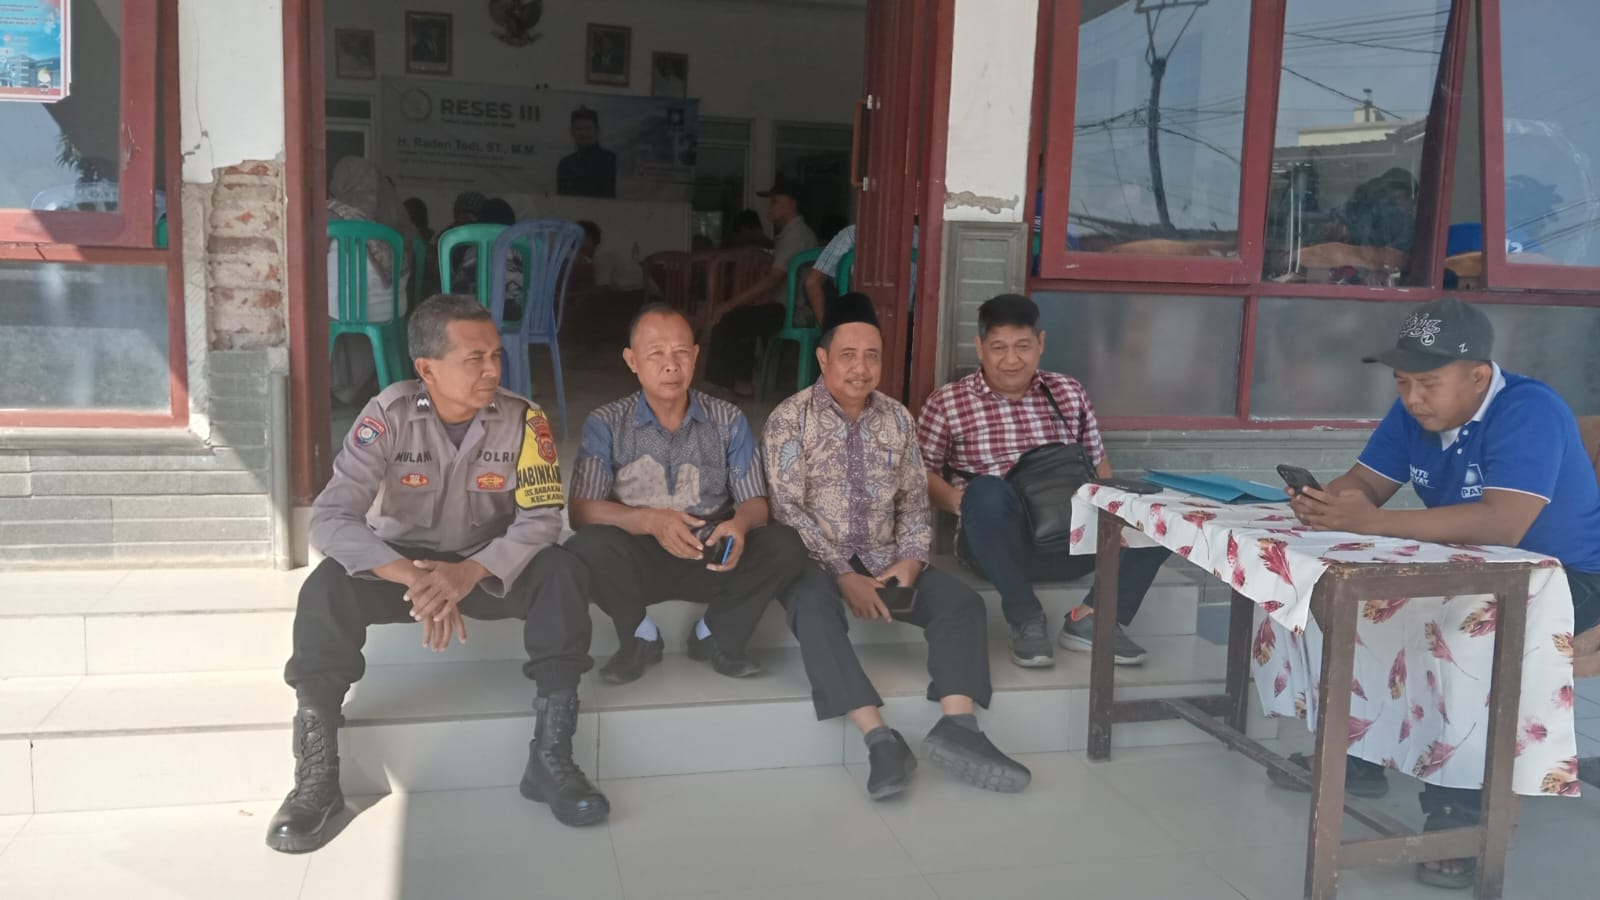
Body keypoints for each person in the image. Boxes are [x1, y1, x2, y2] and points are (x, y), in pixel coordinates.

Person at [1266, 296, 1600, 890]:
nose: (1413, 397)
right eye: (1402, 382)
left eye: (1428, 383)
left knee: (1461, 638)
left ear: (1478, 378)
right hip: (1469, 567)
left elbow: (1503, 524)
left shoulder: (1530, 409)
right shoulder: (1414, 413)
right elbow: (1364, 485)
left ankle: (1459, 814)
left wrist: (1370, 522)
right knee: (1352, 603)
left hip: (1565, 579)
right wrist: (1329, 505)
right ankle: (1360, 757)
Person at [266, 297, 607, 854]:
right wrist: (413, 576)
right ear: (427, 369)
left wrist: (467, 573)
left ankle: (551, 758)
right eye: (475, 358)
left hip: (487, 567)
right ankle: (316, 778)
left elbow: (542, 520)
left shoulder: (525, 420)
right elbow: (330, 517)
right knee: (325, 589)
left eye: (495, 355)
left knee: (562, 572)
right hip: (406, 570)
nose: (492, 370)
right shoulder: (389, 415)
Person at [764, 292, 1031, 799]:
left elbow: (913, 501)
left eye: (872, 356)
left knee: (962, 604)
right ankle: (881, 739)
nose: (861, 368)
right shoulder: (789, 419)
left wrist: (910, 560)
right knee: (812, 611)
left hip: (885, 558)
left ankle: (959, 726)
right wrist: (844, 575)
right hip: (817, 562)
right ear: (822, 358)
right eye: (847, 355)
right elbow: (787, 511)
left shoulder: (897, 418)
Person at [916, 294, 1170, 669]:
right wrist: (964, 504)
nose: (1011, 359)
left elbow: (1097, 461)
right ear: (980, 348)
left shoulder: (1068, 392)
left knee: (1161, 514)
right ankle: (1026, 617)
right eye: (999, 348)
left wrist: (1116, 518)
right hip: (997, 545)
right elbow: (920, 474)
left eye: (1023, 346)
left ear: (1041, 343)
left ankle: (1094, 618)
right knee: (986, 491)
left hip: (1070, 542)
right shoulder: (948, 402)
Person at [563, 304, 811, 683]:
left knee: (785, 544)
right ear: (632, 361)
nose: (671, 365)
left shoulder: (727, 419)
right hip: (639, 559)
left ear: (695, 356)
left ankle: (716, 635)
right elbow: (581, 512)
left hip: (711, 554)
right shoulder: (607, 422)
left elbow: (756, 504)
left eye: (681, 352)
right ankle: (639, 638)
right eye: (656, 354)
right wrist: (648, 520)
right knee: (586, 547)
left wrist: (739, 525)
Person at [704, 179, 818, 396]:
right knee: (743, 317)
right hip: (784, 307)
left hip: (793, 311)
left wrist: (729, 303)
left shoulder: (797, 234)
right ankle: (738, 382)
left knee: (733, 318)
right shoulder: (790, 234)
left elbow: (774, 279)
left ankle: (733, 384)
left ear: (792, 204)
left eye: (775, 202)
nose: (769, 207)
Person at [326, 157, 416, 406]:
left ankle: (333, 386)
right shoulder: (394, 219)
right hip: (390, 313)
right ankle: (369, 384)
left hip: (338, 313)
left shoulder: (328, 215)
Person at [558, 107, 618, 199]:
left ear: (597, 130)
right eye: (578, 129)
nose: (583, 133)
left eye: (588, 128)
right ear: (571, 131)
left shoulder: (611, 160)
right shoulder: (565, 164)